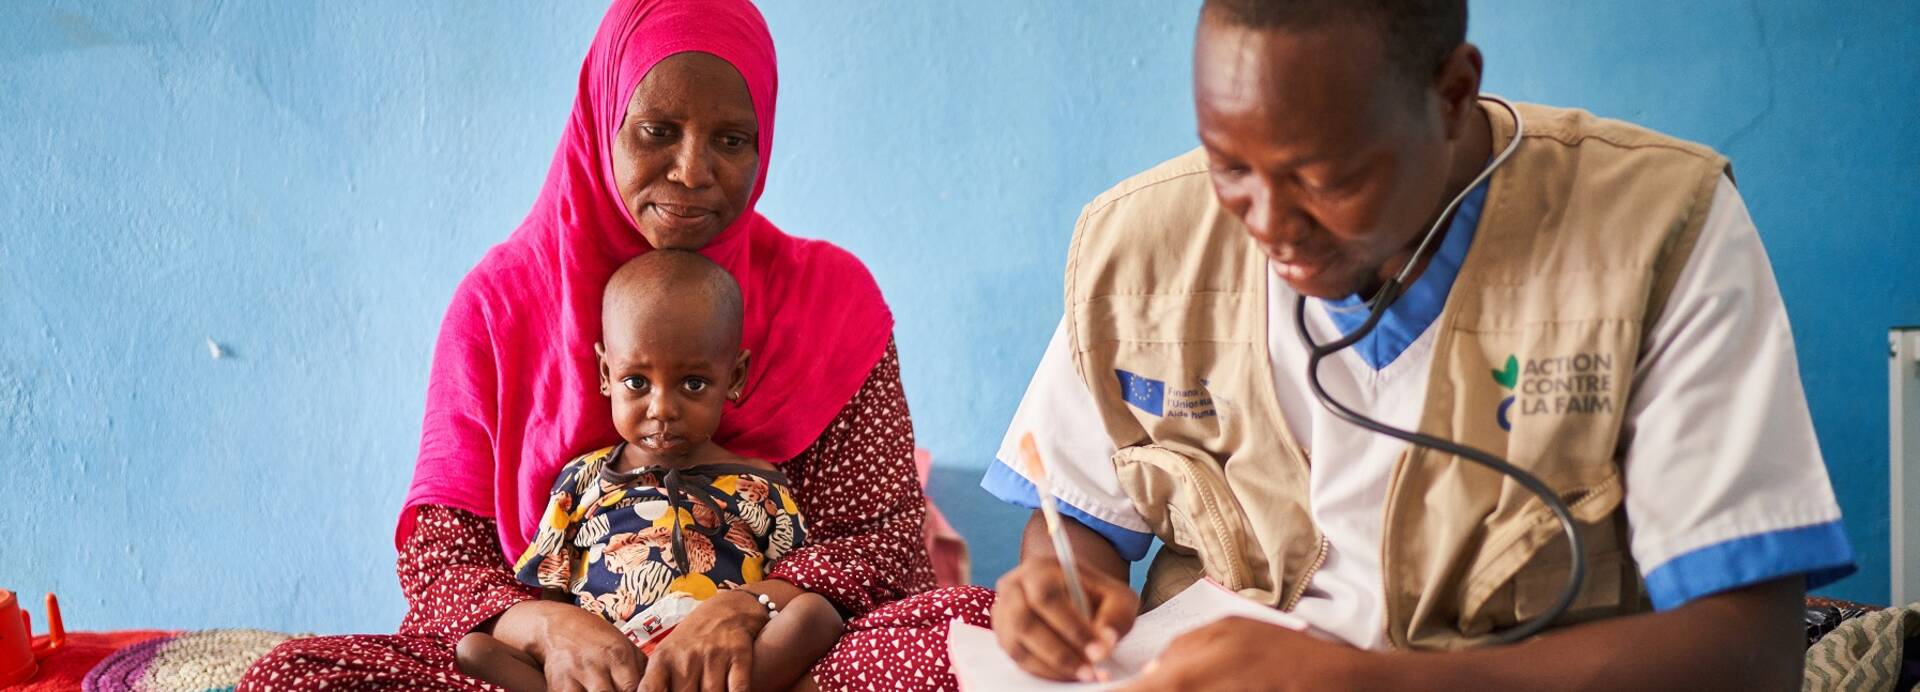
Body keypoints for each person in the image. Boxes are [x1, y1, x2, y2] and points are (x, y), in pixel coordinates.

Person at [984, 0, 1853, 689]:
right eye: (1230, 167)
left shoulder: (1654, 231)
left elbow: (1748, 649)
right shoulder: (1141, 251)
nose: (1271, 227)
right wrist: (1060, 591)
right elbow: (1076, 528)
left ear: (1453, 94)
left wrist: (1371, 685)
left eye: (1329, 178)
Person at [241, 1, 992, 690]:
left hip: (762, 665)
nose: (692, 172)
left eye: (731, 140)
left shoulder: (828, 300)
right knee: (296, 676)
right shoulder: (499, 308)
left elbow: (882, 544)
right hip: (567, 669)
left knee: (978, 634)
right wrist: (550, 629)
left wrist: (747, 608)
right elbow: (443, 564)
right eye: (657, 131)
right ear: (604, 118)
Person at [453, 250, 843, 692]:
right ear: (606, 373)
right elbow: (553, 597)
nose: (662, 409)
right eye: (637, 382)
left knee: (816, 614)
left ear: (734, 377)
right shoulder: (582, 479)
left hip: (714, 667)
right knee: (475, 649)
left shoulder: (759, 483)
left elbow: (792, 581)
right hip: (613, 670)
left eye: (693, 384)